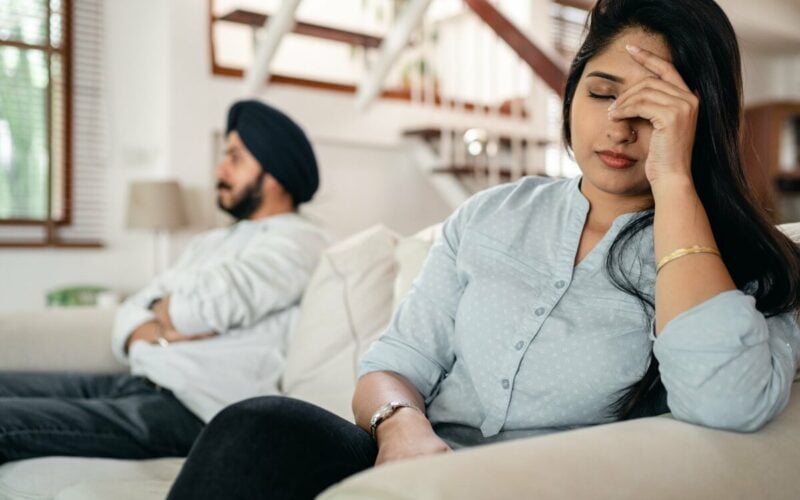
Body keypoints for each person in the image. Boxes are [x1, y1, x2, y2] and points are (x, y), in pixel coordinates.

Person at [166, 1, 800, 499]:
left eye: (653, 110)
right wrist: (400, 427)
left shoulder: (743, 263)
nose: (618, 126)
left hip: (535, 486)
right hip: (409, 461)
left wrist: (674, 179)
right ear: (572, 93)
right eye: (602, 93)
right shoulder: (492, 213)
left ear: (697, 118)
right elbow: (394, 362)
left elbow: (725, 400)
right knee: (256, 429)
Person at [0, 100, 329, 464]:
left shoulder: (301, 242)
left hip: (189, 411)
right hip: (136, 383)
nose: (219, 169)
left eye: (234, 158)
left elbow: (193, 311)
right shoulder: (214, 242)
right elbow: (131, 311)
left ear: (276, 172)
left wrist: (167, 309)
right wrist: (159, 327)